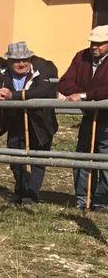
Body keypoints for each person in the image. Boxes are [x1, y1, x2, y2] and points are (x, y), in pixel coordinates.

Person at [0, 42, 58, 205]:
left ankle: (31, 195)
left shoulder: (42, 69)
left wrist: (13, 96)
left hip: (40, 122)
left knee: (38, 159)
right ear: (9, 61)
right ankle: (20, 191)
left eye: (25, 59)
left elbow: (45, 91)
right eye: (17, 60)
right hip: (14, 121)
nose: (22, 64)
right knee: (16, 159)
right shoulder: (0, 71)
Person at [58, 25, 108, 211]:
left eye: (100, 43)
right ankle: (82, 199)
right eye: (92, 43)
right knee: (82, 157)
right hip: (88, 116)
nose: (94, 47)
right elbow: (65, 81)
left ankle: (102, 201)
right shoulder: (81, 57)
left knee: (104, 159)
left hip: (106, 117)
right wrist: (77, 94)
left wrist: (86, 95)